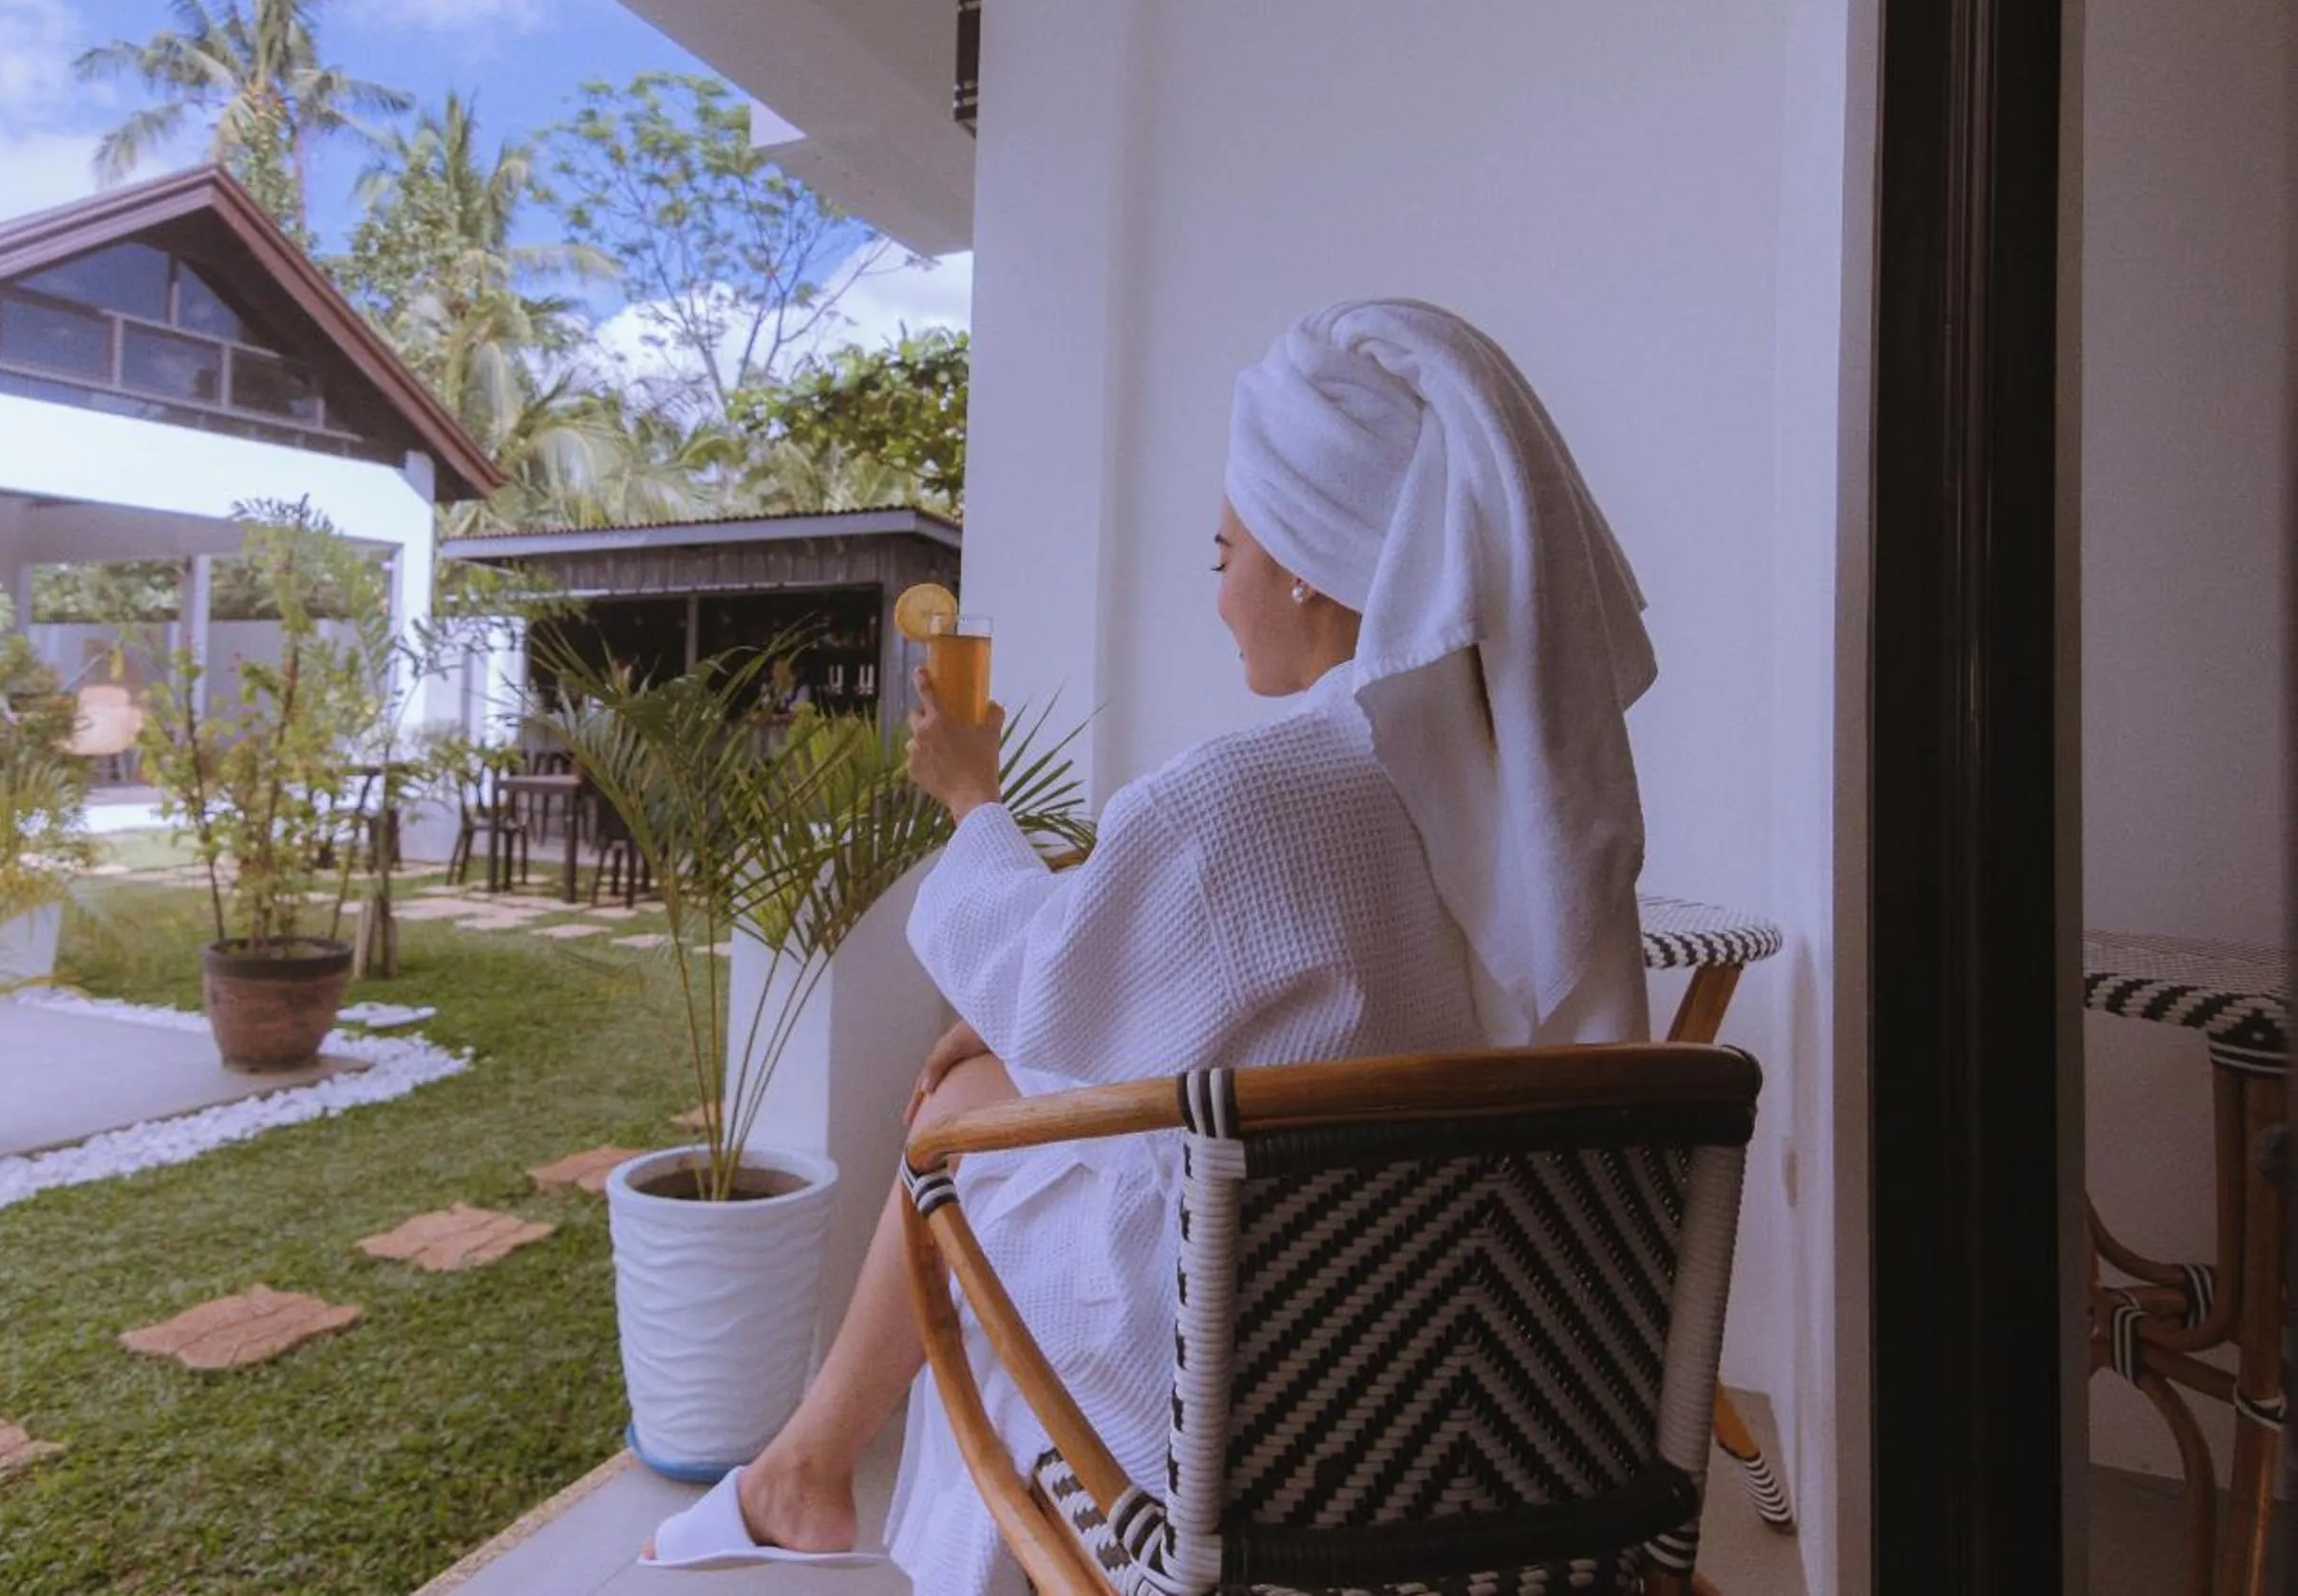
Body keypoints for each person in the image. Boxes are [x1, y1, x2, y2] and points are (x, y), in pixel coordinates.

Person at [642, 299, 1658, 1593]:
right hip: (1437, 1354)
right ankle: (804, 1469)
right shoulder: (1518, 803)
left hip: (1244, 1381)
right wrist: (1019, 1017)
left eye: (1225, 548)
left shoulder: (1254, 796)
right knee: (982, 1084)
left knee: (955, 1116)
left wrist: (971, 794)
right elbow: (1169, 1001)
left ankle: (801, 1472)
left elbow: (1050, 979)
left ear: (1307, 559)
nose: (1218, 589)